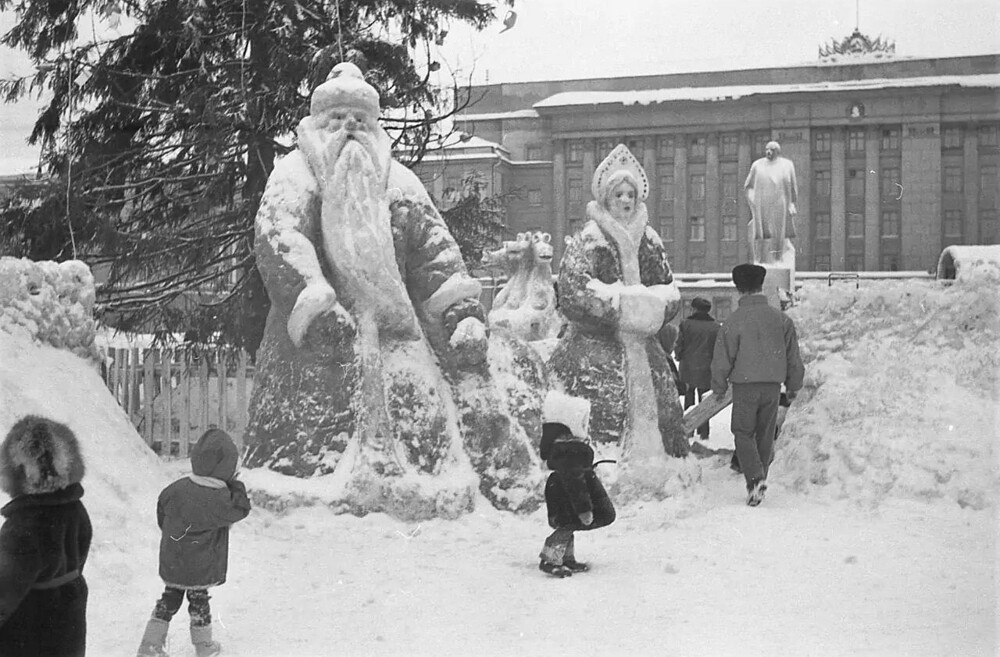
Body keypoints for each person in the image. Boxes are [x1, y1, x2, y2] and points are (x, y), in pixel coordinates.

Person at [245, 61, 537, 513]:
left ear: (376, 127)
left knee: (417, 411)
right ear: (317, 124)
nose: (349, 130)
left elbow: (436, 256)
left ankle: (425, 481)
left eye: (360, 121)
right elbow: (280, 238)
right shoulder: (293, 177)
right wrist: (315, 304)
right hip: (318, 344)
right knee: (310, 430)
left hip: (398, 336)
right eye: (336, 120)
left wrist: (460, 314)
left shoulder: (401, 185)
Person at [548, 144, 687, 459]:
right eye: (619, 194)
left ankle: (664, 462)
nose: (625, 200)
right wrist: (620, 308)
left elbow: (669, 288)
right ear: (606, 197)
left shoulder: (649, 240)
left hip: (644, 346)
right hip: (593, 345)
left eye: (630, 194)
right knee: (599, 408)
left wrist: (654, 307)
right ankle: (602, 465)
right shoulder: (590, 238)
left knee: (662, 400)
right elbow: (572, 289)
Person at [137, 429, 251, 657]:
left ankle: (149, 646)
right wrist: (235, 484)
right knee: (199, 601)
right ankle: (204, 647)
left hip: (173, 559)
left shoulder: (176, 489)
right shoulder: (220, 498)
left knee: (169, 597)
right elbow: (241, 508)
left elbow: (163, 515)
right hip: (201, 565)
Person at [711, 264, 804, 506]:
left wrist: (719, 387)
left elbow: (722, 360)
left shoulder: (733, 322)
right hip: (773, 386)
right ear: (761, 285)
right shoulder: (781, 320)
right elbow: (793, 356)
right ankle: (760, 479)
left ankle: (755, 479)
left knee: (743, 432)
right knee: (765, 434)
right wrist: (793, 384)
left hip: (745, 386)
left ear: (737, 287)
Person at [0, 416, 92, 657]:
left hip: (29, 634)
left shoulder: (21, 527)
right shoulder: (76, 509)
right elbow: (79, 553)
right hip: (67, 624)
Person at [538, 422, 616, 578]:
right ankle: (550, 559)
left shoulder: (567, 453)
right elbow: (575, 482)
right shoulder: (571, 453)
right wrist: (584, 509)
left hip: (561, 492)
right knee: (567, 525)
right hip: (567, 496)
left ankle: (565, 558)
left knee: (568, 523)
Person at [675, 297, 721, 441]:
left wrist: (678, 355)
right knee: (704, 399)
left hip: (688, 367)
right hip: (707, 369)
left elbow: (679, 345)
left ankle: (689, 430)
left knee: (689, 398)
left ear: (694, 309)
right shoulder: (716, 327)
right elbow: (718, 349)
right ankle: (704, 431)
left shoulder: (685, 324)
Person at [744, 141, 798, 264]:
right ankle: (762, 260)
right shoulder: (757, 165)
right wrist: (753, 202)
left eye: (772, 150)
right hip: (762, 203)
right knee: (763, 233)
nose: (769, 152)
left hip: (780, 202)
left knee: (780, 232)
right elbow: (748, 186)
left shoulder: (787, 165)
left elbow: (793, 187)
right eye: (767, 149)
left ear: (777, 152)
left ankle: (778, 259)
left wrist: (792, 203)